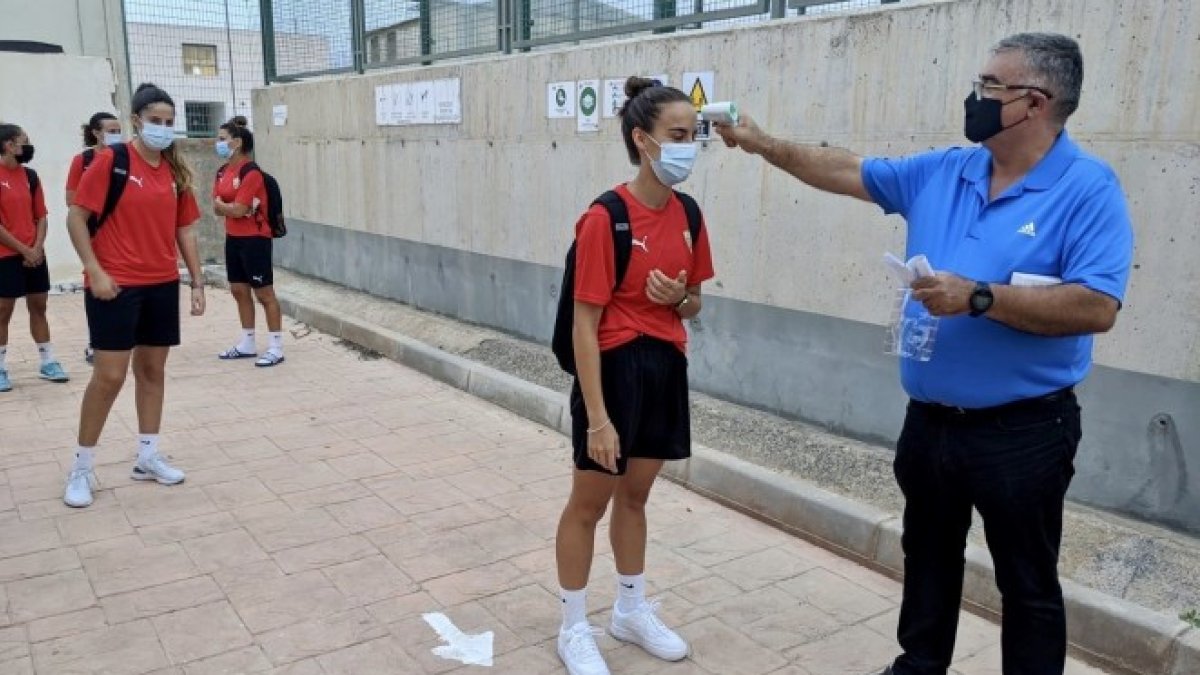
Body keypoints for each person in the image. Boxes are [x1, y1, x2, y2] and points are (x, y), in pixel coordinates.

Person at [715, 33, 1133, 675]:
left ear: (1033, 102)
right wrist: (761, 141)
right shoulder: (947, 169)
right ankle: (918, 665)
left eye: (990, 86)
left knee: (1027, 581)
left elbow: (1097, 306)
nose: (976, 97)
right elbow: (845, 170)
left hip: (1023, 431)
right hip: (931, 421)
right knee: (928, 556)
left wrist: (980, 297)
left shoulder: (1087, 189)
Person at [554, 76, 715, 675]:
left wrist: (679, 299)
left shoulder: (689, 214)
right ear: (642, 140)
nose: (690, 146)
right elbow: (583, 323)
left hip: (666, 366)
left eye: (694, 135)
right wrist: (597, 416)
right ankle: (573, 625)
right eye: (678, 135)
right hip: (613, 372)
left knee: (638, 496)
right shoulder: (606, 217)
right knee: (587, 503)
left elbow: (696, 301)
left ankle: (629, 610)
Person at [63, 83, 206, 508]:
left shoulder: (176, 172)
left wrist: (196, 282)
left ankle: (147, 456)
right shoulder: (112, 161)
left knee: (152, 372)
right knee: (108, 376)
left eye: (168, 122)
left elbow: (186, 228)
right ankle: (81, 468)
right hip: (115, 285)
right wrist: (95, 270)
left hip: (161, 283)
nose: (162, 129)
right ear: (137, 120)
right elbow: (76, 218)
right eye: (154, 121)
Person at [0, 123, 69, 392]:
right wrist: (23, 249)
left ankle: (48, 362)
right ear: (9, 145)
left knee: (38, 306)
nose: (28, 146)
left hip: (34, 255)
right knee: (3, 312)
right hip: (6, 255)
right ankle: (2, 368)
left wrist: (37, 247)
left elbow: (41, 215)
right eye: (24, 141)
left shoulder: (30, 176)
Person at [212, 115, 284, 367]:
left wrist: (230, 206)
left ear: (238, 142)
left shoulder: (250, 172)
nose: (217, 143)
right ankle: (248, 343)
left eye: (222, 139)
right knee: (238, 290)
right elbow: (216, 206)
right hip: (233, 238)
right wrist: (229, 207)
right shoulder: (222, 171)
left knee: (264, 293)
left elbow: (240, 209)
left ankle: (276, 346)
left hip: (255, 239)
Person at [66, 111, 123, 365]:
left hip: (122, 230)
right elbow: (72, 200)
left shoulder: (123, 157)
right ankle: (95, 341)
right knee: (95, 279)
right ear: (97, 133)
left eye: (118, 129)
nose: (116, 134)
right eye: (111, 130)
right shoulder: (84, 160)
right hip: (95, 230)